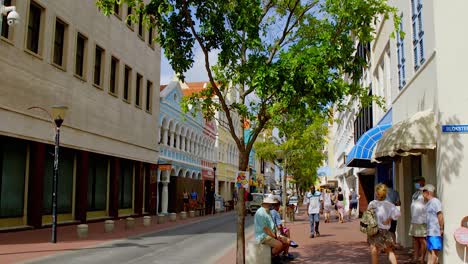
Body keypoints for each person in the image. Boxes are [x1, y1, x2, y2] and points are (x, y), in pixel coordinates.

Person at [367, 183, 400, 264]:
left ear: (376, 193)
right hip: (386, 231)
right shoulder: (390, 204)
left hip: (375, 231)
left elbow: (368, 217)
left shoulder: (372, 203)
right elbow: (398, 214)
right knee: (389, 251)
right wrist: (389, 219)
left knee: (374, 250)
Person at [422, 184, 444, 264]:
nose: (422, 193)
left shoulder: (435, 201)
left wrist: (441, 228)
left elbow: (440, 215)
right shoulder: (428, 203)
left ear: (428, 192)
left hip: (435, 232)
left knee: (434, 252)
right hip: (429, 232)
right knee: (430, 251)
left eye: (423, 191)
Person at [409, 177, 427, 264]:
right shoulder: (416, 193)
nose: (416, 183)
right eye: (415, 182)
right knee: (415, 239)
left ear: (422, 182)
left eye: (417, 181)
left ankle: (422, 259)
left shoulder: (425, 192)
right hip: (414, 220)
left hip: (422, 220)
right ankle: (415, 258)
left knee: (422, 240)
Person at [385, 180, 401, 245]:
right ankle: (394, 244)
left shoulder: (383, 193)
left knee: (385, 229)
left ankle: (385, 245)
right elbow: (398, 203)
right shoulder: (395, 192)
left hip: (385, 212)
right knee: (392, 230)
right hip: (392, 212)